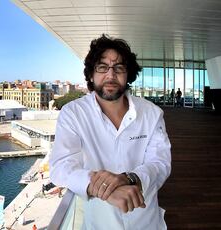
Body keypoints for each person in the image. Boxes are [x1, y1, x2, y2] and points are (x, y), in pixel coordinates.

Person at [49, 34, 171, 229]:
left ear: (128, 74)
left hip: (146, 222)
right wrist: (106, 189)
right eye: (102, 67)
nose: (111, 75)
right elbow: (61, 166)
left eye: (119, 68)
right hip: (98, 224)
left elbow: (160, 163)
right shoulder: (73, 113)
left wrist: (130, 178)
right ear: (91, 74)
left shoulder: (151, 113)